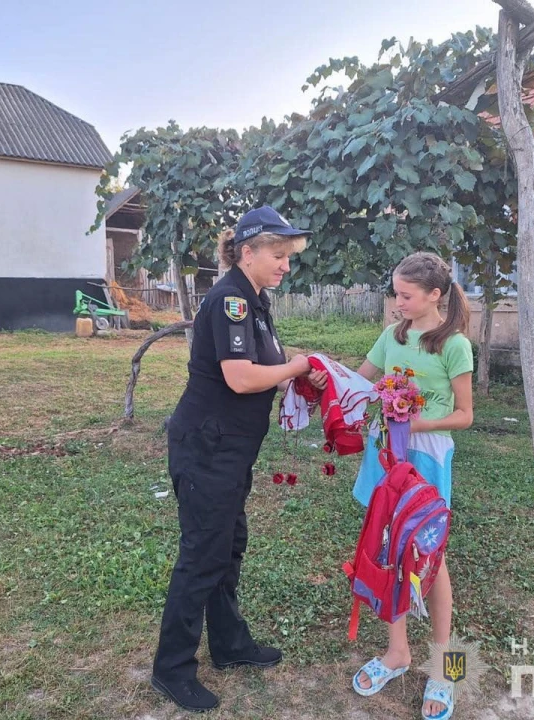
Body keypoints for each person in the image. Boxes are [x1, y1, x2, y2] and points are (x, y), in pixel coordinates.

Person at [151, 206, 316, 713]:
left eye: (289, 257)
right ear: (247, 252)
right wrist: (297, 365)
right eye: (278, 255)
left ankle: (228, 644)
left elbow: (266, 371)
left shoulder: (255, 301)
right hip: (208, 449)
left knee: (228, 546)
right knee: (203, 556)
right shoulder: (231, 301)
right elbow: (241, 377)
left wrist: (300, 375)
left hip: (230, 449)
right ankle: (172, 670)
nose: (286, 265)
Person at [347, 251, 474, 720]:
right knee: (388, 551)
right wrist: (314, 377)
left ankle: (446, 668)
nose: (397, 303)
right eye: (395, 294)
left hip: (426, 459)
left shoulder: (454, 344)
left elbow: (465, 415)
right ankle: (397, 652)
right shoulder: (391, 335)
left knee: (430, 558)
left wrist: (416, 424)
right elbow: (360, 383)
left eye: (405, 295)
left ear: (434, 295)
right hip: (386, 458)